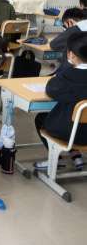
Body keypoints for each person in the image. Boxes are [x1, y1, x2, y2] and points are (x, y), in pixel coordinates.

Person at [34, 32, 87, 171]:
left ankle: (55, 160)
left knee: (41, 118)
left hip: (71, 134)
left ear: (71, 55)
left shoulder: (67, 75)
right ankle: (76, 155)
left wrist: (65, 69)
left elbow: (51, 90)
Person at [50, 7, 87, 72]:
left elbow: (53, 44)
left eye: (65, 26)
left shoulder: (75, 29)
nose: (66, 29)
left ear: (70, 22)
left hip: (76, 69)